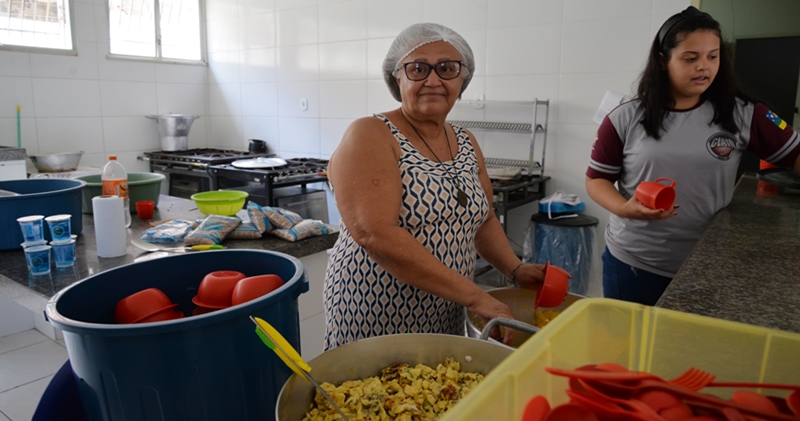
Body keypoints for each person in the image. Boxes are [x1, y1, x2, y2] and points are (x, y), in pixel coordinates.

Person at [323, 23, 563, 350]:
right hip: (377, 307)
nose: (433, 80)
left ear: (462, 80)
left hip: (446, 306)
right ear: (398, 78)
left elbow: (484, 221)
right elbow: (374, 232)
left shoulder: (465, 141)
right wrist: (477, 295)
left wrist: (515, 269)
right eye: (418, 68)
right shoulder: (371, 133)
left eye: (447, 69)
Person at [586, 6, 800, 306]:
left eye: (713, 56)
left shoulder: (742, 113)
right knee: (631, 350)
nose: (704, 67)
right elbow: (596, 180)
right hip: (634, 262)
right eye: (691, 58)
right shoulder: (625, 118)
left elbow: (795, 154)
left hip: (706, 264)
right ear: (663, 60)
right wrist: (625, 209)